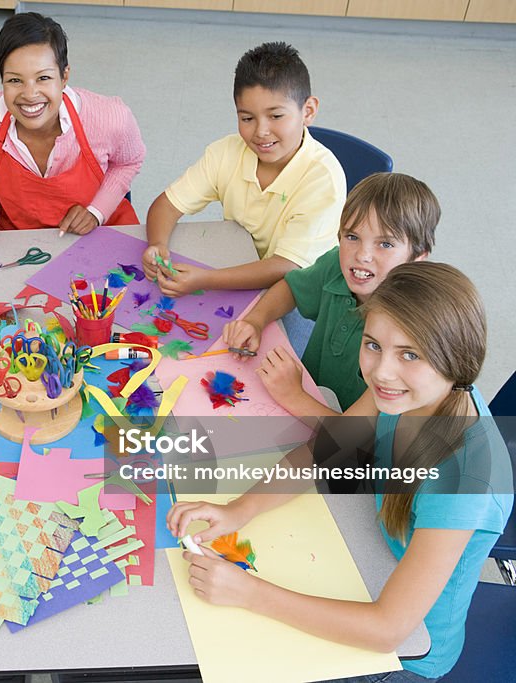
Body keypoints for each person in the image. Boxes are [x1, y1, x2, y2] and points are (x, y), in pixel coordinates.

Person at [168, 262, 513, 682]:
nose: (382, 371)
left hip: (405, 660)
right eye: (373, 345)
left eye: (409, 354)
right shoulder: (406, 388)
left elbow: (389, 630)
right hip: (373, 565)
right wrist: (241, 509)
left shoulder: (464, 481)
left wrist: (251, 593)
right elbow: (328, 451)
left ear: (457, 360)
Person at [222, 172, 440, 415]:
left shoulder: (405, 335)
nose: (362, 255)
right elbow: (291, 288)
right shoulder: (336, 265)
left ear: (418, 258)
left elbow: (354, 435)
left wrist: (293, 396)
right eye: (352, 237)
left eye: (385, 244)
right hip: (310, 393)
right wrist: (256, 320)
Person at [142, 42, 346, 298]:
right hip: (239, 270)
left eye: (276, 116)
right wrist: (157, 245)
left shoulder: (323, 178)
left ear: (308, 111)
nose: (261, 132)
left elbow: (286, 267)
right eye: (247, 118)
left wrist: (206, 279)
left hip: (299, 294)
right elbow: (166, 205)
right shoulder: (226, 152)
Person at [0, 12, 145, 247]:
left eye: (43, 78)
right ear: (1, 78)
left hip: (100, 232)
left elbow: (129, 162)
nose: (30, 95)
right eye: (15, 80)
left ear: (64, 76)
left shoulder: (110, 117)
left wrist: (96, 212)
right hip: (19, 237)